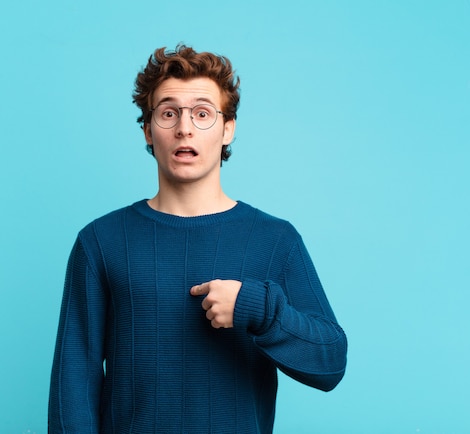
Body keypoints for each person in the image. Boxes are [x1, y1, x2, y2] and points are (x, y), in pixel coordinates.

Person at [48, 44, 347, 433]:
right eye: (168, 113)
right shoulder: (100, 242)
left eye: (202, 113)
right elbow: (74, 383)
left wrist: (256, 309)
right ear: (148, 130)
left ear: (228, 129)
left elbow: (331, 364)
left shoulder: (277, 240)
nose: (184, 128)